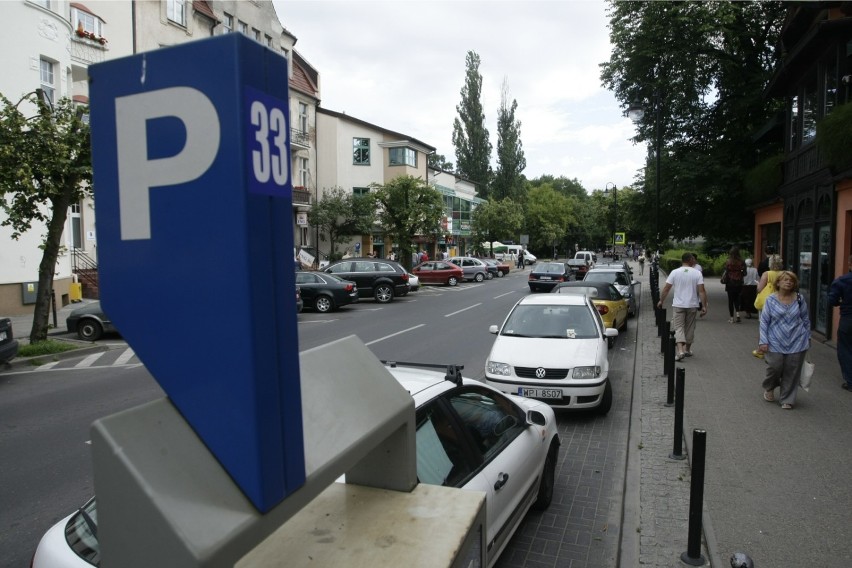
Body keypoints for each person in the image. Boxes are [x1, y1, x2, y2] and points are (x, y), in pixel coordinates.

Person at [758, 271, 810, 409]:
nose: (788, 282)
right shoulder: (771, 300)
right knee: (775, 366)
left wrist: (807, 337)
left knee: (792, 370)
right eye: (785, 280)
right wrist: (763, 341)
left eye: (791, 281)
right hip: (775, 339)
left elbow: (805, 319)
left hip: (797, 340)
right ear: (779, 283)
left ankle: (787, 398)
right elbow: (764, 322)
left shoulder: (799, 298)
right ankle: (769, 387)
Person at [657, 252, 708, 361]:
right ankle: (687, 350)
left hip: (678, 305)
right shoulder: (697, 273)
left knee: (679, 327)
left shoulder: (675, 272)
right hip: (692, 305)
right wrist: (704, 306)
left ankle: (680, 351)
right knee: (690, 327)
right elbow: (702, 291)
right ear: (689, 260)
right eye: (693, 259)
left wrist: (661, 300)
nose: (694, 260)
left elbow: (666, 288)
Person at [752, 254, 784, 358]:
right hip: (781, 301)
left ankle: (761, 350)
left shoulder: (767, 274)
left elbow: (760, 289)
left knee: (764, 325)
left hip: (767, 303)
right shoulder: (784, 274)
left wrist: (758, 285)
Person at [828, 255, 852, 392]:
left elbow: (832, 300)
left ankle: (850, 380)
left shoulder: (842, 281)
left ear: (849, 264)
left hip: (848, 319)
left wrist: (841, 302)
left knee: (846, 348)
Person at [723, 246, 746, 323]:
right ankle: (738, 314)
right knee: (737, 299)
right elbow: (744, 273)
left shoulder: (728, 261)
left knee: (730, 300)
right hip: (739, 282)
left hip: (730, 282)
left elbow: (726, 271)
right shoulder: (742, 262)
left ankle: (731, 318)